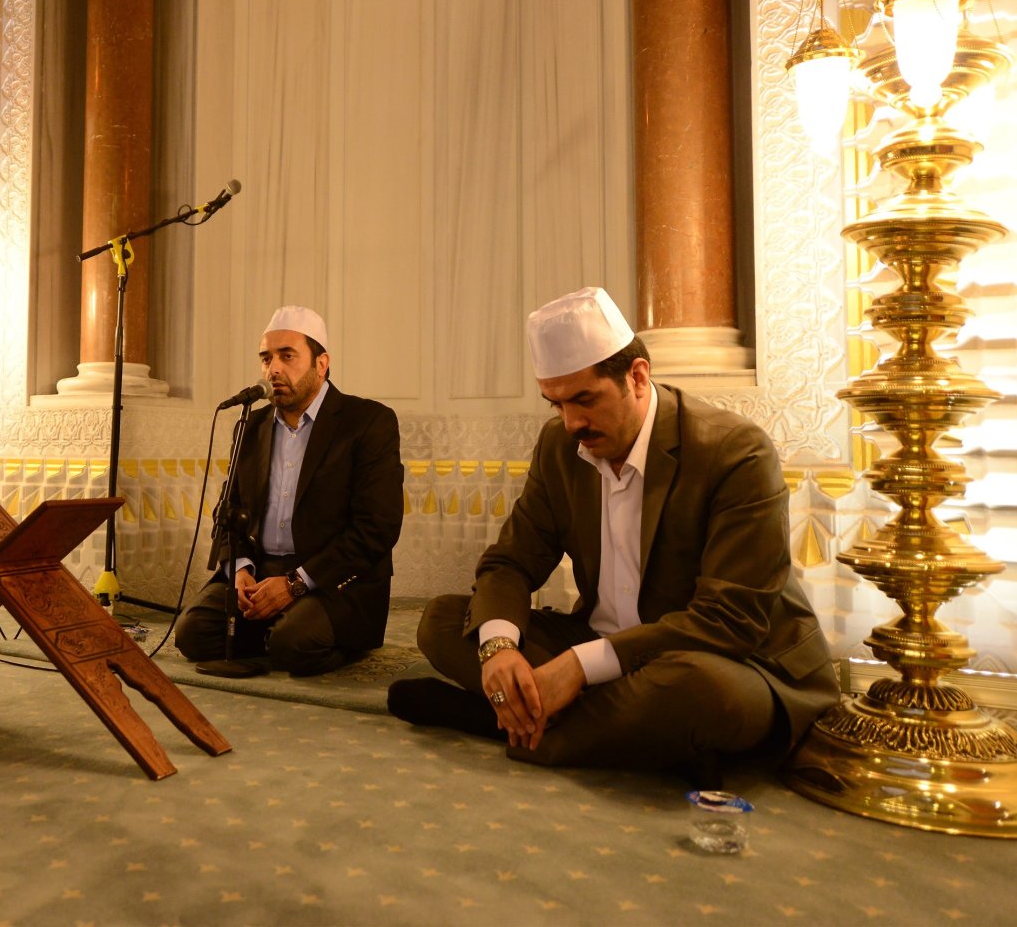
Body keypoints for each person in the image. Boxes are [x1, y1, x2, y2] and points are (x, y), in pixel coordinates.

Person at [388, 287, 838, 779]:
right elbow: (510, 563)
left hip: (727, 659)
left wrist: (580, 666)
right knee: (445, 620)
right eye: (556, 404)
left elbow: (729, 622)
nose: (572, 422)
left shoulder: (734, 451)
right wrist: (500, 649)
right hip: (605, 644)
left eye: (585, 399)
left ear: (637, 377)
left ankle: (503, 724)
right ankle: (623, 733)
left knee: (697, 690)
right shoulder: (560, 447)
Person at [175, 306, 404, 678]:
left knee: (293, 646)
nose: (273, 369)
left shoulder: (367, 422)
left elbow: (378, 527)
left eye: (287, 356)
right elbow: (229, 510)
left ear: (321, 364)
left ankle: (288, 634)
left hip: (330, 579)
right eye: (266, 358)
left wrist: (295, 584)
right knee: (192, 634)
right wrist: (240, 571)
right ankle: (273, 628)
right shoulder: (252, 425)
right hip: (261, 571)